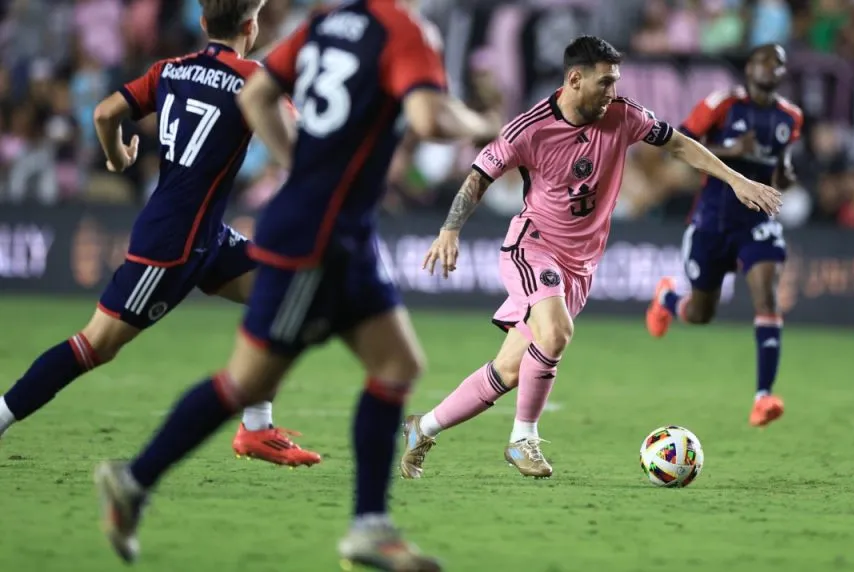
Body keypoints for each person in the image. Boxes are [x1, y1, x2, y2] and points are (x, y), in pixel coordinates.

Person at [92, 1, 502, 569]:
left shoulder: (322, 26)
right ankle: (133, 480)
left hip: (340, 231)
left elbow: (256, 97)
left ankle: (369, 528)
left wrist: (298, 164)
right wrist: (483, 123)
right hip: (317, 238)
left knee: (398, 365)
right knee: (246, 381)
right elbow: (431, 119)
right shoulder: (404, 30)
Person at [401, 35, 782, 480]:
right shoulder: (529, 129)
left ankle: (421, 428)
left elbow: (678, 144)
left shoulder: (624, 116)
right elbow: (479, 175)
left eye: (616, 82)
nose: (613, 92)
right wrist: (449, 229)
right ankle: (523, 440)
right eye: (605, 83)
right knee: (557, 333)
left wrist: (736, 181)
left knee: (508, 369)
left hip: (580, 265)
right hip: (533, 244)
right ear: (574, 79)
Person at [0, 0, 321, 467]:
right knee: (95, 345)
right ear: (251, 27)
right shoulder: (254, 80)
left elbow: (106, 113)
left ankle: (256, 429)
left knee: (286, 291)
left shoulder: (170, 68)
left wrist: (115, 157)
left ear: (204, 23)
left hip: (204, 235)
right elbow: (298, 140)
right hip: (171, 245)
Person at [646, 44, 803, 428]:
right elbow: (678, 145)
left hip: (757, 221)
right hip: (712, 220)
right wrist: (730, 149)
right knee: (700, 314)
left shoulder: (791, 117)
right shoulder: (722, 103)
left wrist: (785, 176)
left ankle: (763, 397)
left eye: (778, 64)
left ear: (783, 73)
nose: (771, 68)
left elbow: (779, 165)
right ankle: (668, 297)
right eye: (764, 60)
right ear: (750, 68)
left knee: (767, 295)